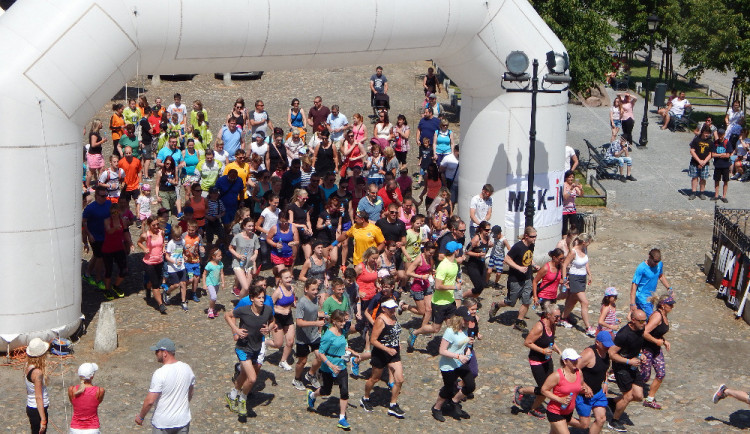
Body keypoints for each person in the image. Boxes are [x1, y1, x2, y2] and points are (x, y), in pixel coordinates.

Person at [225, 286, 277, 417]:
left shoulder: (268, 310)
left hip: (256, 347)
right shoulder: (244, 310)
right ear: (252, 298)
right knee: (252, 378)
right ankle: (243, 399)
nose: (261, 300)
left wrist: (268, 329)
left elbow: (273, 321)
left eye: (263, 298)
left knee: (243, 374)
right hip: (243, 347)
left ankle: (232, 396)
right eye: (258, 298)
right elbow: (227, 315)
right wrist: (235, 330)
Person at [306, 310, 359, 430]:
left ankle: (341, 418)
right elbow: (321, 353)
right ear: (334, 321)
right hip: (328, 367)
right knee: (326, 391)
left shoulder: (342, 331)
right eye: (341, 321)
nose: (343, 323)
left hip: (341, 365)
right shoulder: (328, 335)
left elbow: (342, 345)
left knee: (344, 390)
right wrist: (330, 365)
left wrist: (352, 351)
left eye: (344, 321)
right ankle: (312, 395)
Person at [407, 241, 461, 350]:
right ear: (455, 251)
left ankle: (454, 346)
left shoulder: (454, 262)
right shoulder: (443, 266)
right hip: (439, 302)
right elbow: (438, 286)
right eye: (458, 249)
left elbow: (451, 277)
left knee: (453, 325)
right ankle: (415, 332)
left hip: (450, 300)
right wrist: (454, 287)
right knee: (436, 328)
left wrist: (457, 280)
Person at [512, 303, 562, 419]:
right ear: (548, 315)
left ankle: (532, 407)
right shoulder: (539, 327)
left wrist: (559, 351)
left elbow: (550, 341)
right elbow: (527, 342)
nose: (558, 319)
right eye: (556, 317)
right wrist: (542, 351)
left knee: (548, 387)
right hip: (537, 361)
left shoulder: (553, 325)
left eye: (559, 316)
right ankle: (522, 392)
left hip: (547, 360)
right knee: (544, 389)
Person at [135, 338, 195, 432]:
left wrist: (141, 417)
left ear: (164, 353)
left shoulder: (160, 373)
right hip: (182, 421)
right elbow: (190, 393)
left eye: (157, 351)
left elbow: (150, 401)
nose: (155, 354)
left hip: (163, 424)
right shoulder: (187, 368)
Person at [360, 298, 406, 418]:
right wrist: (387, 349)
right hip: (381, 353)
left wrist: (397, 342)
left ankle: (393, 404)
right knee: (374, 379)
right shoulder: (380, 320)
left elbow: (395, 332)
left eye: (394, 309)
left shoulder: (393, 317)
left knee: (400, 379)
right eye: (390, 309)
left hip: (394, 353)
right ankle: (365, 397)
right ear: (384, 309)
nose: (393, 311)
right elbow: (373, 340)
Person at [430, 306, 476, 422]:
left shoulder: (465, 329)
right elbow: (442, 351)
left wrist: (468, 347)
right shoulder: (450, 332)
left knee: (470, 386)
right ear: (458, 319)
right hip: (448, 366)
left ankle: (454, 401)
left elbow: (463, 344)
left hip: (460, 364)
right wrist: (458, 356)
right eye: (465, 319)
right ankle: (437, 408)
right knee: (448, 389)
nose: (467, 321)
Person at [489, 226, 537, 332]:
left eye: (535, 236)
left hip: (527, 277)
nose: (534, 239)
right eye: (532, 237)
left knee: (526, 300)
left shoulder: (531, 245)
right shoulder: (518, 246)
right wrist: (519, 268)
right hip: (515, 279)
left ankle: (519, 322)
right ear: (526, 236)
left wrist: (534, 265)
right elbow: (507, 259)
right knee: (511, 302)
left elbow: (529, 257)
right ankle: (496, 305)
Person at [607, 309, 648, 433]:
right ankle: (614, 421)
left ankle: (612, 402)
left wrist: (641, 354)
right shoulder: (623, 334)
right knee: (628, 396)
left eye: (645, 321)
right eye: (641, 321)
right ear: (633, 320)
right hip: (621, 367)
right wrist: (628, 361)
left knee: (639, 396)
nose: (644, 324)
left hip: (633, 366)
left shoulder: (640, 329)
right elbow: (611, 353)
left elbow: (637, 344)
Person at [573, 332, 613, 434]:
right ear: (597, 343)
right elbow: (573, 369)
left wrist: (606, 382)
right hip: (583, 395)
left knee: (601, 419)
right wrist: (584, 385)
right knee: (584, 424)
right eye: (605, 345)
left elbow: (604, 370)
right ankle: (562, 420)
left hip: (598, 392)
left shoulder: (606, 353)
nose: (608, 347)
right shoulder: (589, 354)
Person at [640, 294, 675, 410]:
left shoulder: (664, 316)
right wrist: (656, 341)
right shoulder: (657, 316)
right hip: (647, 348)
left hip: (656, 349)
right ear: (663, 305)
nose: (672, 306)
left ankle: (650, 399)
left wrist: (664, 341)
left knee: (661, 373)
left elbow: (657, 332)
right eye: (670, 304)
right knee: (645, 376)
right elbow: (644, 332)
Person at [292, 279, 325, 391]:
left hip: (314, 334)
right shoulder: (302, 302)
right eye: (313, 289)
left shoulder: (315, 299)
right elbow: (299, 322)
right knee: (302, 361)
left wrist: (324, 315)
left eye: (316, 289)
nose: (316, 292)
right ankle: (297, 378)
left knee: (320, 356)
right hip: (303, 337)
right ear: (306, 289)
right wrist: (316, 323)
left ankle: (310, 374)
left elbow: (314, 313)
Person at [560, 233, 596, 336]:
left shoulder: (584, 249)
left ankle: (563, 318)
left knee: (573, 300)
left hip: (582, 278)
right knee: (584, 302)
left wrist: (589, 274)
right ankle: (588, 327)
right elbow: (565, 265)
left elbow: (586, 262)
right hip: (574, 278)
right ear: (584, 242)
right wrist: (564, 279)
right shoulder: (573, 252)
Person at [541, 348, 583, 434]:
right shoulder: (557, 375)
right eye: (572, 360)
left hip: (568, 412)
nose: (575, 362)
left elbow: (580, 386)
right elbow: (544, 390)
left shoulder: (579, 372)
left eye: (576, 360)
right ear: (565, 361)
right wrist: (560, 399)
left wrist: (585, 389)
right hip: (555, 411)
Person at [82, 186, 112, 290]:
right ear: (96, 196)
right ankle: (98, 279)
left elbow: (114, 213)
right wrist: (89, 235)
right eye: (102, 196)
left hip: (106, 235)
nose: (105, 198)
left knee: (96, 256)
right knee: (100, 257)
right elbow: (84, 222)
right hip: (95, 237)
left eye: (106, 195)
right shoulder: (90, 208)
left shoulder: (108, 204)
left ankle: (87, 273)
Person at [630, 248, 673, 318]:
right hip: (642, 298)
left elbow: (661, 276)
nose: (656, 264)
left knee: (642, 320)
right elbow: (634, 285)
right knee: (652, 318)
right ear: (649, 257)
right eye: (655, 261)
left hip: (652, 298)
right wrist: (632, 303)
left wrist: (669, 288)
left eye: (658, 262)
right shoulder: (641, 268)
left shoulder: (659, 264)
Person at [139, 217, 168, 313]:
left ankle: (147, 287)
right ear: (149, 225)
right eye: (153, 225)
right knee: (156, 284)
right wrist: (144, 248)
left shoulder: (161, 232)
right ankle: (161, 304)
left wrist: (163, 248)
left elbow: (162, 242)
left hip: (159, 261)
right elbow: (139, 242)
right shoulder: (145, 235)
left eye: (157, 224)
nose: (156, 227)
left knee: (156, 282)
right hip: (149, 262)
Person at [271, 268, 298, 371]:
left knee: (290, 341)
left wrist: (295, 305)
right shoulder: (278, 292)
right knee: (278, 344)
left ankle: (283, 361)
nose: (289, 279)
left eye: (290, 277)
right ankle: (265, 343)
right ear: (281, 279)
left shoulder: (291, 289)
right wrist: (279, 312)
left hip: (288, 317)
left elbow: (292, 300)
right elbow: (270, 306)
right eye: (286, 278)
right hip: (277, 318)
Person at [69, 362, 105, 434]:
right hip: (92, 429)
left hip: (75, 429)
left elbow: (73, 402)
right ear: (92, 376)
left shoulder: (71, 390)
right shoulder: (100, 391)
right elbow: (98, 402)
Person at [229, 217, 260, 298]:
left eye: (252, 226)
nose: (251, 228)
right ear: (244, 226)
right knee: (245, 287)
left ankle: (242, 303)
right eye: (249, 226)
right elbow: (230, 248)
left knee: (247, 289)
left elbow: (256, 249)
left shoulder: (255, 237)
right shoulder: (238, 237)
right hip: (238, 263)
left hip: (249, 264)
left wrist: (255, 256)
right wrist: (238, 255)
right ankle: (241, 304)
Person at [24, 338, 50, 434]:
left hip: (31, 406)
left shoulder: (27, 365)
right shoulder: (37, 373)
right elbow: (38, 397)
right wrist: (43, 419)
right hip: (37, 410)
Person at [463, 221, 491, 300]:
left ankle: (471, 300)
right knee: (478, 286)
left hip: (481, 264)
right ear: (481, 229)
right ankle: (463, 296)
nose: (488, 232)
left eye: (489, 230)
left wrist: (490, 245)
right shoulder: (476, 239)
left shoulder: (487, 238)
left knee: (483, 285)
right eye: (486, 230)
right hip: (473, 265)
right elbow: (467, 251)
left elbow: (485, 248)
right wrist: (478, 254)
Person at [688, 125, 713, 200]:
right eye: (705, 133)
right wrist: (699, 161)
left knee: (703, 178)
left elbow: (711, 153)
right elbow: (692, 151)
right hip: (695, 162)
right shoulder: (696, 140)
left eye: (708, 133)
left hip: (705, 163)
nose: (707, 135)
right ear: (702, 132)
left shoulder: (710, 142)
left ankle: (702, 192)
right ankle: (693, 192)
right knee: (694, 177)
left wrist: (704, 161)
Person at [711, 128, 734, 203]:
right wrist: (721, 154)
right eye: (719, 134)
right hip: (717, 165)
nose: (720, 136)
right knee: (716, 180)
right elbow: (713, 154)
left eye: (722, 134)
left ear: (724, 135)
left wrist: (719, 155)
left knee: (725, 181)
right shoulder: (715, 143)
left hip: (725, 165)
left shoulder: (727, 143)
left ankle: (724, 196)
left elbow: (728, 155)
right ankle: (716, 195)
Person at [202, 248, 226, 319]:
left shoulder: (220, 264)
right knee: (213, 296)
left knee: (214, 297)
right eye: (219, 256)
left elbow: (222, 273)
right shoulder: (209, 265)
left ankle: (212, 308)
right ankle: (210, 310)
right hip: (210, 283)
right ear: (213, 256)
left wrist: (223, 282)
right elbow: (204, 274)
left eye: (221, 255)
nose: (220, 257)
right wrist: (204, 284)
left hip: (217, 283)